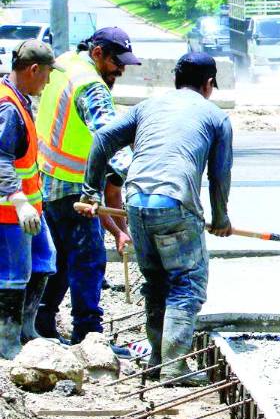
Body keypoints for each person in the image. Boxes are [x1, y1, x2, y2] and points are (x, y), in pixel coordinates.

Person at [79, 53, 233, 384]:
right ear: (208, 84)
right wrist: (220, 218)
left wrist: (90, 192)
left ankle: (157, 359)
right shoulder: (215, 116)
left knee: (156, 284)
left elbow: (103, 138)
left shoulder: (148, 106)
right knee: (186, 284)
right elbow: (220, 174)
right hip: (175, 204)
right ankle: (174, 368)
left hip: (135, 204)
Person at [34, 28, 139, 346]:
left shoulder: (66, 63)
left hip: (49, 179)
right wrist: (137, 178)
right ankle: (88, 333)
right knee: (90, 258)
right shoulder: (90, 86)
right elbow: (109, 136)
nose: (120, 69)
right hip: (73, 187)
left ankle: (41, 320)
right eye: (115, 62)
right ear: (97, 53)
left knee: (62, 258)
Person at [0, 42, 58, 358]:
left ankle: (26, 330)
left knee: (43, 262)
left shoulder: (18, 100)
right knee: (13, 277)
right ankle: (6, 344)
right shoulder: (8, 106)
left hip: (30, 209)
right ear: (34, 69)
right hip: (10, 212)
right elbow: (1, 157)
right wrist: (18, 199)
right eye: (47, 74)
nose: (47, 82)